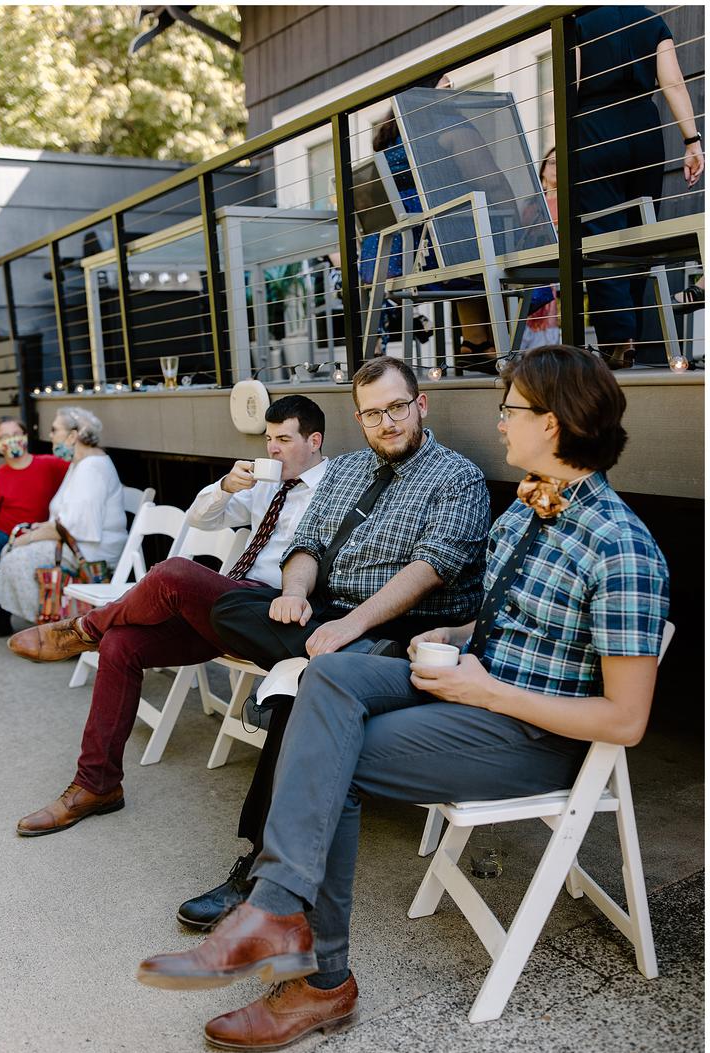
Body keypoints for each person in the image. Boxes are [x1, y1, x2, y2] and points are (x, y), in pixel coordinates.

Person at [136, 344, 668, 1052]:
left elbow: (625, 721)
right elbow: (505, 622)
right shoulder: (525, 511)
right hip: (473, 685)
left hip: (532, 736)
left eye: (510, 409)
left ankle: (319, 978)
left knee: (334, 759)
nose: (500, 422)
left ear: (553, 422)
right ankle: (278, 910)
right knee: (325, 676)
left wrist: (487, 689)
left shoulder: (621, 549)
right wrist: (455, 632)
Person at [177, 357, 489, 929]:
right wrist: (294, 593)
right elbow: (308, 545)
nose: (386, 422)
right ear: (359, 419)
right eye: (372, 414)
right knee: (231, 606)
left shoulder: (457, 478)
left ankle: (258, 873)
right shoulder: (344, 471)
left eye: (397, 407)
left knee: (304, 693)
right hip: (325, 616)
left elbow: (430, 569)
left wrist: (353, 627)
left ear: (420, 405)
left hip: (405, 632)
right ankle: (319, 658)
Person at [6, 395, 329, 836]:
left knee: (175, 572)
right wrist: (225, 487)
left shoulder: (335, 487)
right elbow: (200, 520)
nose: (272, 448)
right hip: (230, 605)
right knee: (120, 644)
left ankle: (83, 628)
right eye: (269, 439)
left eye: (284, 440)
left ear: (314, 441)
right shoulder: (266, 484)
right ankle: (97, 785)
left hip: (274, 611)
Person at [573, 6, 703, 368]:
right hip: (645, 129)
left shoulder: (578, 21)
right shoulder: (651, 20)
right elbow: (673, 83)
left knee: (601, 235)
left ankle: (618, 339)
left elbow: (572, 85)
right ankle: (635, 335)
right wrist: (692, 141)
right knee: (639, 233)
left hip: (595, 128)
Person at [357, 74, 498, 369]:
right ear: (427, 95)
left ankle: (475, 341)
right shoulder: (449, 128)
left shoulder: (390, 138)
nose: (453, 91)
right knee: (489, 242)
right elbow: (492, 182)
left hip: (388, 255)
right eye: (446, 86)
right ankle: (488, 342)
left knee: (469, 243)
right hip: (428, 248)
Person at [0, 405, 126, 629]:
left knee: (16, 560)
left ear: (72, 436)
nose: (50, 435)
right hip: (75, 543)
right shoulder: (79, 464)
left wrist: (28, 538)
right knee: (11, 552)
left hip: (91, 552)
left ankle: (52, 627)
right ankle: (48, 621)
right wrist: (35, 531)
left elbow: (73, 527)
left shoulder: (91, 468)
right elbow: (64, 517)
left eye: (55, 430)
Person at [0, 415, 68, 566]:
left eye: (16, 434)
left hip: (40, 534)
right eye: (4, 437)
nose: (12, 440)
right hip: (6, 535)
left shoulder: (50, 465)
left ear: (25, 436)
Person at [521, 148, 562, 350]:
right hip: (531, 263)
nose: (556, 168)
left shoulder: (568, 202)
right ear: (543, 168)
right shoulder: (533, 205)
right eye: (552, 163)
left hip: (555, 265)